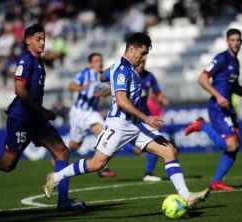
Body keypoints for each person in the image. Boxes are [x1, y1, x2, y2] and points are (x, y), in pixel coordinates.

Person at [44, 32, 209, 208]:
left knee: (169, 151)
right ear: (131, 49)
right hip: (120, 124)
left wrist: (104, 80)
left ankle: (186, 196)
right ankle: (56, 176)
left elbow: (103, 76)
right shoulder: (123, 69)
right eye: (142, 53)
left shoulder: (123, 68)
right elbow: (122, 101)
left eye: (146, 54)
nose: (144, 58)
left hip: (136, 125)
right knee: (97, 164)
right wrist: (147, 117)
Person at [0, 24, 84, 211]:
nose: (43, 42)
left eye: (44, 38)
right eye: (38, 39)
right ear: (28, 40)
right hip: (21, 118)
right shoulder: (26, 60)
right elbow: (19, 90)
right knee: (6, 165)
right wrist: (43, 111)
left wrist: (41, 113)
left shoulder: (39, 62)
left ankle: (63, 201)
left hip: (36, 119)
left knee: (62, 151)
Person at [184, 28, 242, 192]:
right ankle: (202, 126)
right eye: (233, 40)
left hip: (228, 108)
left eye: (238, 40)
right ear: (227, 41)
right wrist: (218, 96)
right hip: (217, 107)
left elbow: (235, 87)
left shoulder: (235, 62)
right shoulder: (221, 58)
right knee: (230, 145)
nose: (236, 43)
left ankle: (216, 182)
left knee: (236, 145)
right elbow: (202, 78)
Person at [68, 52, 116, 177]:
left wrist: (102, 94)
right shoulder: (85, 73)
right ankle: (62, 154)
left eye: (100, 60)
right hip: (79, 112)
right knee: (76, 144)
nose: (99, 63)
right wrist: (81, 88)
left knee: (103, 132)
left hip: (92, 112)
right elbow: (71, 85)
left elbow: (108, 91)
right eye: (96, 61)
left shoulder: (103, 76)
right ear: (90, 63)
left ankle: (101, 166)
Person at [136, 59, 169, 182]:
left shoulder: (149, 76)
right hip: (129, 116)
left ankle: (148, 173)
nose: (141, 65)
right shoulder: (128, 75)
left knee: (157, 139)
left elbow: (158, 92)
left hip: (145, 115)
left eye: (143, 63)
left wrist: (162, 98)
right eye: (139, 63)